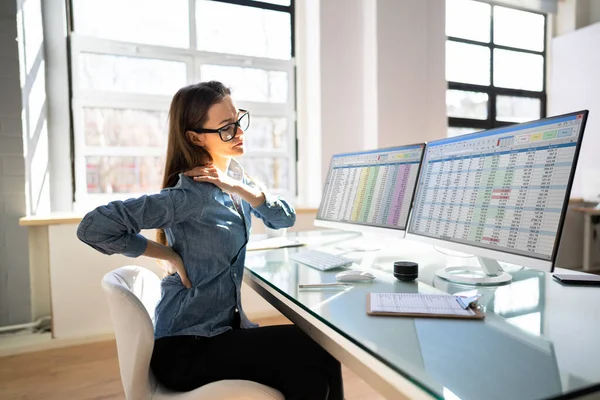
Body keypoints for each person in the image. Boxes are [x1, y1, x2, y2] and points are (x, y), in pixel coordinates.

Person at [77, 81, 344, 400]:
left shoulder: (234, 183)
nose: (239, 132)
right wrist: (166, 253)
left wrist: (239, 187)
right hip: (186, 348)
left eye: (239, 120)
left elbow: (283, 218)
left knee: (313, 371)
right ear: (194, 136)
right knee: (315, 350)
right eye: (226, 128)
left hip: (221, 333)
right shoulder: (189, 196)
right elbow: (93, 227)